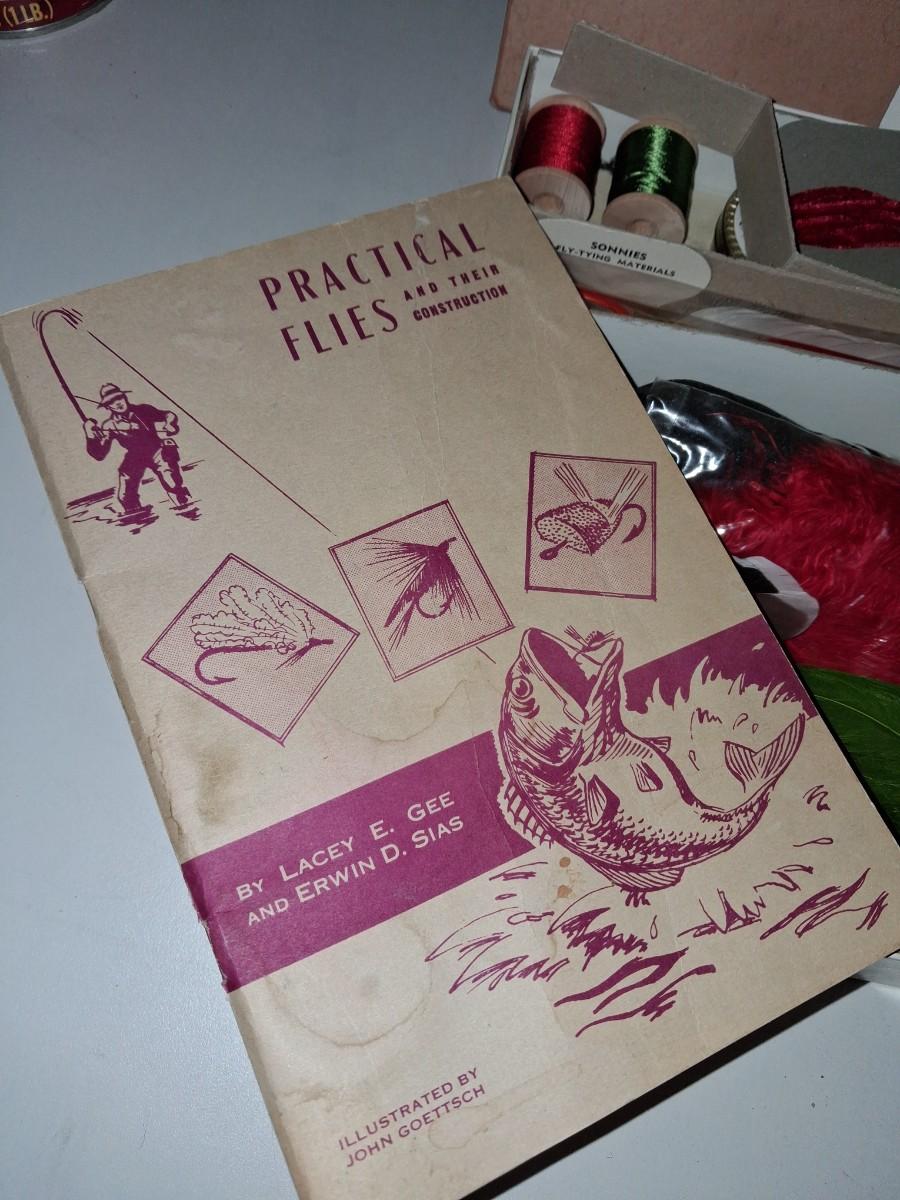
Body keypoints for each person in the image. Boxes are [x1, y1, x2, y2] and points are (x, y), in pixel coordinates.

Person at [83, 382, 192, 512]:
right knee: (125, 497)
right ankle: (139, 517)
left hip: (156, 450)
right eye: (111, 401)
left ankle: (187, 510)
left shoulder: (143, 410)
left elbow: (168, 414)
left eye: (119, 398)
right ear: (107, 406)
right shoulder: (109, 425)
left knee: (172, 483)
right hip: (134, 457)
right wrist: (89, 433)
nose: (117, 403)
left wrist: (170, 424)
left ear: (124, 397)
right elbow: (99, 454)